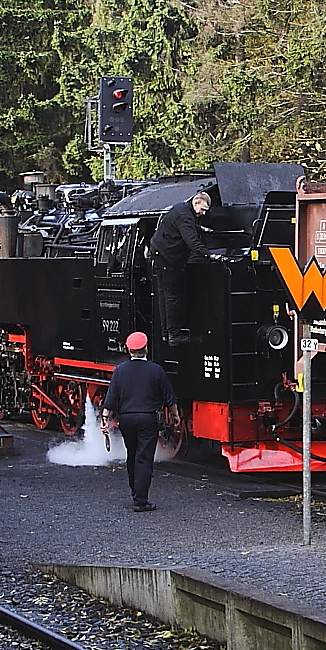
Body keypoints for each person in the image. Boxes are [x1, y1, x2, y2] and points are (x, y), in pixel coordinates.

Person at [100, 331, 180, 512]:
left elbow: (111, 398)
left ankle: (135, 491)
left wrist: (104, 419)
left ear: (129, 350)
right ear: (146, 349)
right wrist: (176, 416)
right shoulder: (156, 370)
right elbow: (169, 398)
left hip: (126, 419)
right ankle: (141, 500)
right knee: (144, 458)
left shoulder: (119, 371)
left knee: (132, 454)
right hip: (147, 418)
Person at [150, 189, 212, 347]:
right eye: (202, 209)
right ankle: (174, 335)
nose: (203, 214)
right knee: (173, 296)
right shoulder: (185, 216)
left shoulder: (181, 209)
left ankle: (166, 333)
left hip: (159, 252)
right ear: (196, 202)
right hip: (168, 257)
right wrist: (209, 255)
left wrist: (201, 230)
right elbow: (191, 241)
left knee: (164, 295)